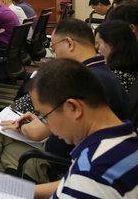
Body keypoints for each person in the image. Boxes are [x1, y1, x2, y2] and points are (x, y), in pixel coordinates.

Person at [0, 18, 129, 183]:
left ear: (69, 43)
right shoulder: (100, 73)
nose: (55, 55)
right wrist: (42, 123)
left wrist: (37, 127)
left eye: (54, 48)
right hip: (62, 154)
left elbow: (43, 133)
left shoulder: (82, 81)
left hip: (56, 164)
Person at [31, 59, 138, 199]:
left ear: (73, 107)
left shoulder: (92, 171)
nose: (48, 126)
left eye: (46, 116)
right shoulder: (126, 142)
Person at [95, 20, 138, 92]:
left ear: (111, 44)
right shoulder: (131, 72)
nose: (96, 47)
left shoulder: (108, 78)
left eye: (99, 44)